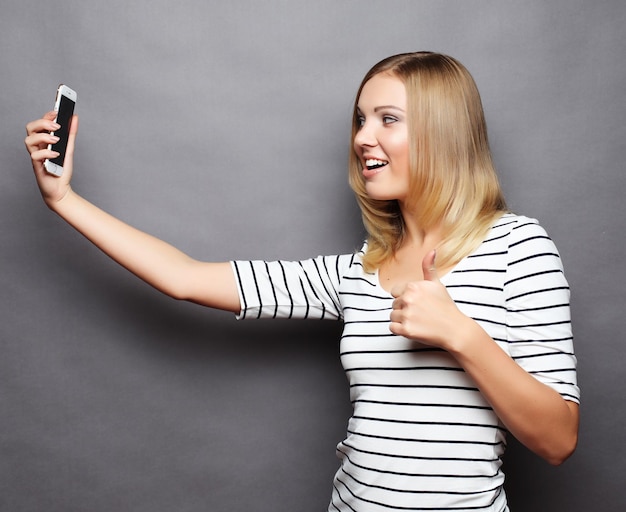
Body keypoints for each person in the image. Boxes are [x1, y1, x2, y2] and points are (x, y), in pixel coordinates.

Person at [25, 51, 579, 511]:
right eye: (360, 119)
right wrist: (63, 200)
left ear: (444, 132)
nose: (364, 137)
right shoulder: (358, 271)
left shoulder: (517, 247)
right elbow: (185, 277)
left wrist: (461, 334)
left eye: (388, 119)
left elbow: (558, 440)